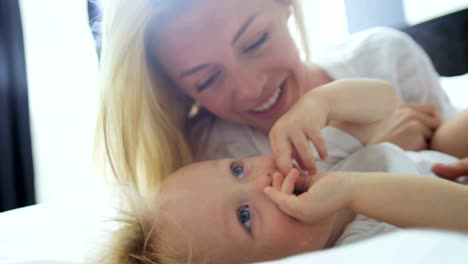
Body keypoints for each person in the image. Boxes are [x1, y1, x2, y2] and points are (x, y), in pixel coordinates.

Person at [97, 0, 466, 193]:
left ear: (283, 2)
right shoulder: (212, 160)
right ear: (179, 91)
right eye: (207, 80)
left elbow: (445, 148)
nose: (250, 88)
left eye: (256, 41)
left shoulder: (386, 56)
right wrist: (375, 157)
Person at [96, 75, 468, 263]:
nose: (262, 182)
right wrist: (353, 191)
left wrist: (323, 103)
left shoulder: (316, 166)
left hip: (444, 159)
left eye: (238, 170)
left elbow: (385, 102)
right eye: (244, 216)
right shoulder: (359, 251)